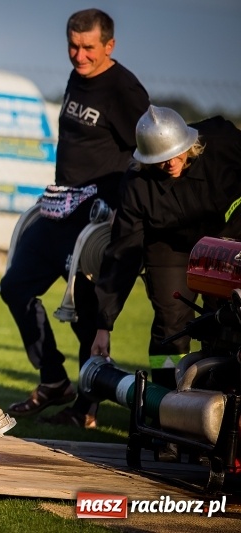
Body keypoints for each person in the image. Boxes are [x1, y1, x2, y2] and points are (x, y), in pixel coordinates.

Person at [0, 8, 149, 428]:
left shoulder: (124, 89)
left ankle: (86, 407)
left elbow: (147, 153)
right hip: (60, 205)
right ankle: (53, 380)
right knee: (15, 287)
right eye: (73, 46)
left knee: (84, 311)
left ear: (109, 46)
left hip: (96, 215)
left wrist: (124, 212)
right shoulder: (76, 76)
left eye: (88, 48)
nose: (79, 56)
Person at [92, 106, 241, 390]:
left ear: (189, 143)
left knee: (227, 318)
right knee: (170, 323)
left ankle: (219, 391)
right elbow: (123, 254)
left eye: (175, 153)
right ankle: (165, 397)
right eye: (160, 159)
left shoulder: (222, 143)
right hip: (170, 249)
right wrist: (104, 324)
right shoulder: (137, 186)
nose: (171, 163)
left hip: (225, 243)